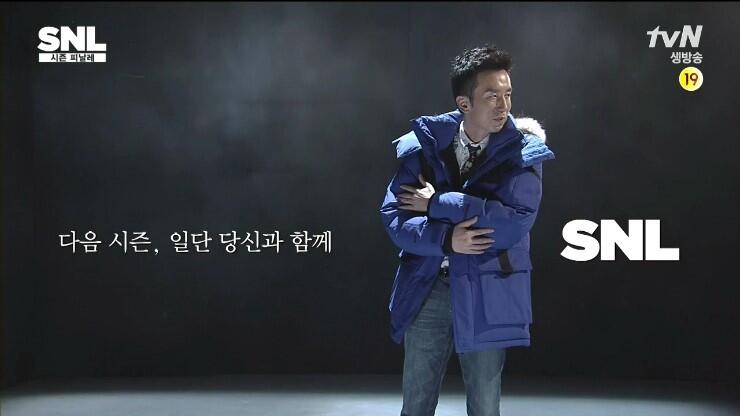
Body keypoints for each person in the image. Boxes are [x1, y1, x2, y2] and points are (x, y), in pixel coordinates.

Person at [379, 45, 555, 416]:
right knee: (416, 404)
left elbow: (511, 223)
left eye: (507, 94)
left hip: (487, 288)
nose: (503, 106)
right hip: (429, 288)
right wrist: (447, 240)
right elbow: (395, 217)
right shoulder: (423, 145)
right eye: (491, 96)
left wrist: (436, 203)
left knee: (485, 406)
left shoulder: (525, 153)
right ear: (464, 103)